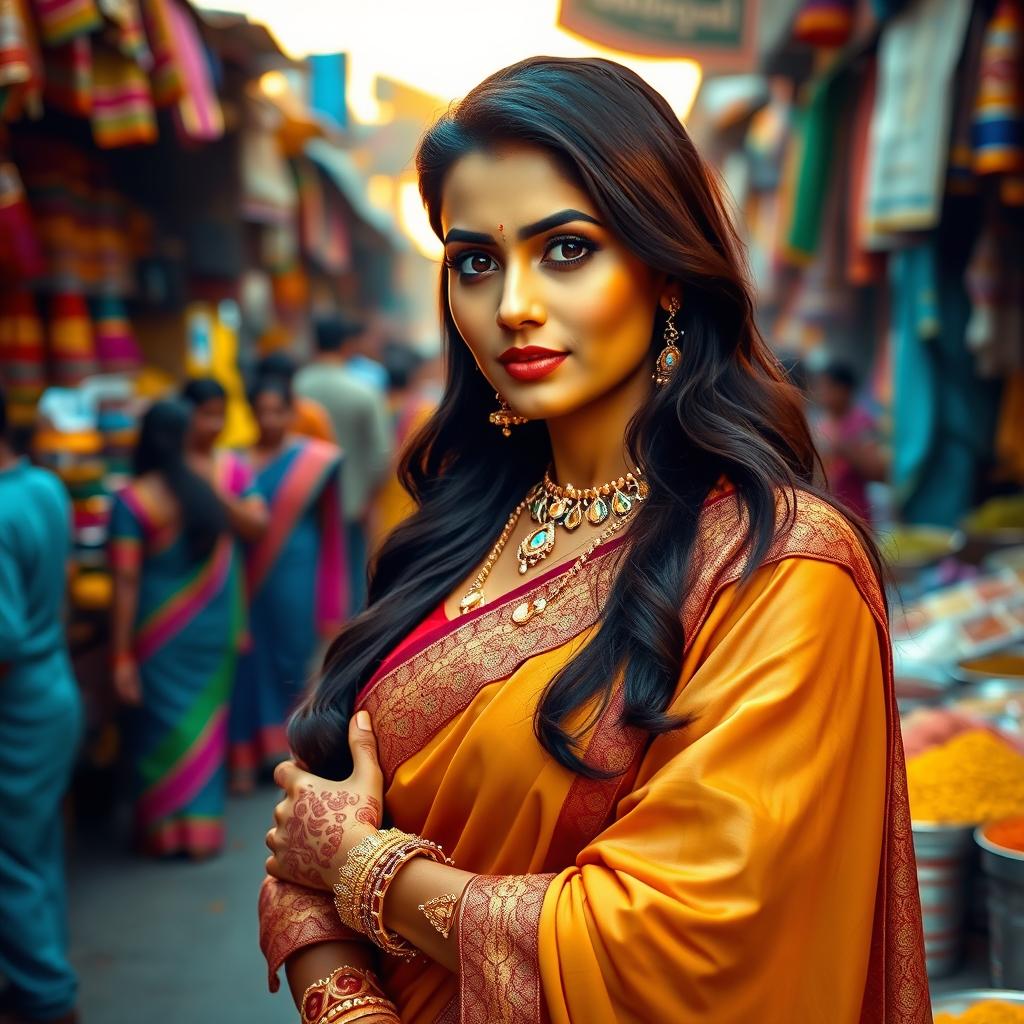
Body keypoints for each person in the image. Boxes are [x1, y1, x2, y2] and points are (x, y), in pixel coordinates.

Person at [259, 57, 929, 1024]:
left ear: (664, 271)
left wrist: (363, 869)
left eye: (565, 250)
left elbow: (684, 951)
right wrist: (342, 987)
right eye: (476, 261)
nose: (513, 305)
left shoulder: (777, 567)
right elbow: (309, 824)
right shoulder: (456, 523)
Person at [108, 399, 263, 858]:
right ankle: (200, 834)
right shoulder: (209, 493)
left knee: (159, 730)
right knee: (204, 727)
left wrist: (119, 655)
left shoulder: (133, 500)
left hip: (157, 632)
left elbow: (125, 580)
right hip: (211, 629)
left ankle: (163, 833)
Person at [0, 387, 82, 1024]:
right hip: (50, 683)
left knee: (12, 854)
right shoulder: (44, 488)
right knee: (33, 845)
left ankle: (44, 989)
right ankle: (41, 970)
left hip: (18, 695)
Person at [229, 375, 347, 794]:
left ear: (292, 411)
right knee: (247, 664)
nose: (269, 419)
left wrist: (334, 600)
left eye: (278, 411)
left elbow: (335, 532)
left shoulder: (317, 461)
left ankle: (289, 756)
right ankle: (249, 754)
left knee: (289, 661)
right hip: (243, 579)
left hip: (296, 571)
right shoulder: (235, 462)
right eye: (261, 411)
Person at [293, 317, 393, 612]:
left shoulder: (295, 388)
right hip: (351, 504)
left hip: (301, 503)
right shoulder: (363, 391)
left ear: (314, 344)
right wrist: (368, 498)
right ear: (347, 346)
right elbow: (381, 454)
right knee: (349, 580)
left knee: (308, 577)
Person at [811, 360, 887, 524]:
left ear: (845, 390)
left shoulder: (862, 422)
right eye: (821, 387)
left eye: (828, 387)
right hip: (829, 515)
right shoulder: (821, 424)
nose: (822, 393)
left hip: (856, 514)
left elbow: (878, 472)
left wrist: (843, 448)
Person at [254, 352, 336, 444]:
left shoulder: (310, 415)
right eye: (263, 412)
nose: (269, 421)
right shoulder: (246, 414)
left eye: (278, 412)